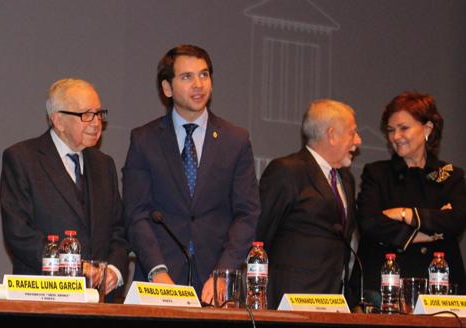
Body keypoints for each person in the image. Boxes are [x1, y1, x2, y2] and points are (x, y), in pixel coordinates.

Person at [123, 44, 260, 304]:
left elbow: (248, 213)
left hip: (217, 281)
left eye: (204, 74)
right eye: (187, 77)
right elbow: (136, 213)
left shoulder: (235, 139)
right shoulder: (144, 140)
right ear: (167, 88)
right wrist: (157, 270)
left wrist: (225, 271)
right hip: (159, 282)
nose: (198, 84)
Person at [0, 78, 128, 296]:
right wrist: (75, 268)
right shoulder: (23, 159)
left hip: (98, 302)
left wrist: (113, 272)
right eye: (86, 114)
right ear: (58, 120)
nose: (96, 123)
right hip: (43, 297)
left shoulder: (104, 164)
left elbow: (118, 230)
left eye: (99, 113)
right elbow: (19, 233)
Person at [352, 91, 466, 303]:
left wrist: (404, 214)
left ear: (427, 129)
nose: (396, 136)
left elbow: (456, 220)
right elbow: (369, 222)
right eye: (391, 130)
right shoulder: (377, 173)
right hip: (382, 289)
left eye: (403, 128)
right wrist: (429, 234)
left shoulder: (451, 174)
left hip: (440, 289)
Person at [256, 99, 362, 309]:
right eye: (352, 132)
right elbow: (260, 235)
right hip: (291, 301)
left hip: (336, 301)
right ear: (331, 135)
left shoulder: (346, 179)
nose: (358, 140)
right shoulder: (286, 171)